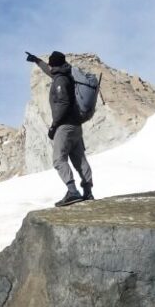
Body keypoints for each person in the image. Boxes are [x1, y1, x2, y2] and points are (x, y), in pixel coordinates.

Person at [26, 50, 93, 206]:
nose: (49, 66)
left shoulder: (60, 81)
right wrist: (37, 60)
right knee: (79, 159)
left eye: (50, 63)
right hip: (76, 126)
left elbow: (62, 104)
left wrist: (54, 126)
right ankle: (88, 191)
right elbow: (50, 72)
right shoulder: (66, 75)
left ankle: (73, 192)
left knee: (58, 159)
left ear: (54, 64)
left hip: (65, 126)